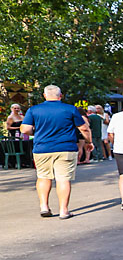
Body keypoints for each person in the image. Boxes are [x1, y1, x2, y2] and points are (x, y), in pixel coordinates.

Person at [21, 85, 92, 219]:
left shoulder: (34, 110)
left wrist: (36, 133)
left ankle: (44, 206)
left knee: (43, 176)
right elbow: (84, 128)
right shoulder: (70, 109)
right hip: (66, 148)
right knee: (63, 179)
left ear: (44, 95)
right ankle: (64, 211)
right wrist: (89, 142)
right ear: (61, 95)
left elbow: (25, 130)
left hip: (42, 148)